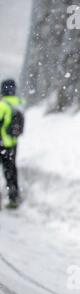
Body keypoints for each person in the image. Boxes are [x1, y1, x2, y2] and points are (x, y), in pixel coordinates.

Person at [0, 79, 24, 209]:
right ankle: (14, 197)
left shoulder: (2, 105)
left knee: (5, 171)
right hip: (13, 143)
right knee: (11, 170)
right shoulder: (19, 103)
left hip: (1, 143)